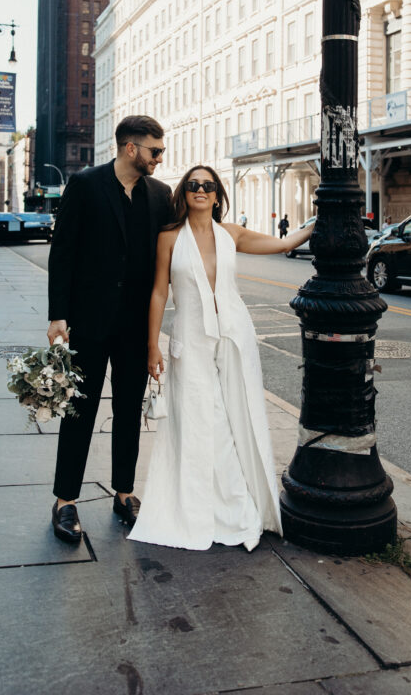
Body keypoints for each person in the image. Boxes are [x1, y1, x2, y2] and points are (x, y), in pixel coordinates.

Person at [128, 165, 313, 552]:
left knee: (239, 417)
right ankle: (203, 511)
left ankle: (240, 506)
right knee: (199, 420)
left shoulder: (232, 234)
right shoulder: (169, 238)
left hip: (235, 337)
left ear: (216, 196)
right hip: (189, 339)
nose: (200, 189)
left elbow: (283, 244)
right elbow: (159, 292)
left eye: (207, 185)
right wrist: (152, 345)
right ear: (184, 193)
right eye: (193, 184)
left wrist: (319, 221)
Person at [46, 115, 172, 542]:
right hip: (90, 320)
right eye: (155, 150)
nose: (160, 157)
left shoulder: (161, 194)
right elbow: (62, 251)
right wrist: (57, 316)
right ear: (130, 148)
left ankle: (124, 492)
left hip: (136, 325)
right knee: (78, 411)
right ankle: (65, 501)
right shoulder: (85, 184)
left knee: (128, 411)